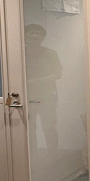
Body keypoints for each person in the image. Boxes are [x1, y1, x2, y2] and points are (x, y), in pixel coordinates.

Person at [24, 24, 62, 154]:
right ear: (25, 35)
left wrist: (35, 82)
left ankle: (53, 156)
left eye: (38, 34)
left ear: (43, 38)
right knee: (29, 130)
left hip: (47, 98)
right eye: (31, 32)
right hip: (26, 98)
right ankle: (32, 158)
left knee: (49, 128)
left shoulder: (50, 53)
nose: (34, 36)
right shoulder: (19, 53)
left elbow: (58, 74)